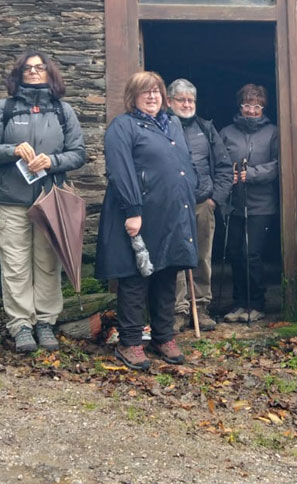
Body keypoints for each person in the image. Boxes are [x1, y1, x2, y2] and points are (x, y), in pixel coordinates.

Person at [0, 52, 86, 353]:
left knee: (48, 263)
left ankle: (46, 322)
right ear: (19, 74)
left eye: (40, 68)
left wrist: (52, 161)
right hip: (11, 200)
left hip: (50, 199)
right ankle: (21, 324)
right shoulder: (5, 108)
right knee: (14, 264)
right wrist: (12, 150)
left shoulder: (63, 111)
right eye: (28, 68)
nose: (34, 72)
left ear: (50, 73)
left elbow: (78, 153)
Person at [96, 71, 198, 370]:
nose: (152, 96)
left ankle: (163, 336)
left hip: (170, 214)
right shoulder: (123, 126)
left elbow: (183, 165)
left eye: (156, 91)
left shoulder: (173, 124)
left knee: (166, 274)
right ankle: (130, 342)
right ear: (133, 97)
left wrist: (191, 191)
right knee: (135, 278)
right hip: (139, 214)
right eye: (145, 92)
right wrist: (133, 211)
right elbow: (120, 170)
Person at [166, 79, 232, 333]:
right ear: (170, 101)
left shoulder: (205, 128)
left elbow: (225, 166)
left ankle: (201, 307)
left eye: (190, 100)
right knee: (175, 257)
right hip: (172, 205)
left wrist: (215, 199)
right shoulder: (162, 127)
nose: (186, 104)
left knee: (202, 256)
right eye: (181, 99)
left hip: (203, 203)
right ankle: (179, 310)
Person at [219, 83, 280, 323]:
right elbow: (220, 161)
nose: (251, 110)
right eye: (247, 105)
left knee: (251, 253)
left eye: (257, 106)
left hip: (261, 205)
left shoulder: (273, 132)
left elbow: (278, 164)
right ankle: (238, 303)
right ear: (240, 106)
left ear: (263, 107)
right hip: (233, 203)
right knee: (235, 253)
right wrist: (229, 175)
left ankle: (256, 302)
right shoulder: (226, 132)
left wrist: (252, 174)